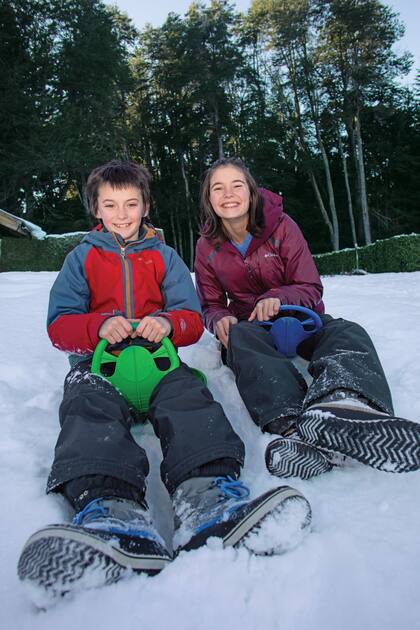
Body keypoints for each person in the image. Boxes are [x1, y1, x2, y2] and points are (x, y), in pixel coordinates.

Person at [17, 160, 311, 605]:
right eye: (111, 205)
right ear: (96, 208)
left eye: (131, 204)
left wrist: (166, 323)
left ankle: (209, 497)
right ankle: (109, 510)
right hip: (101, 365)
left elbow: (192, 319)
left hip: (158, 360)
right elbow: (60, 324)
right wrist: (97, 326)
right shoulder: (82, 257)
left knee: (190, 398)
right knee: (86, 408)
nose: (122, 213)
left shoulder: (164, 255)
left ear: (146, 205)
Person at [194, 157, 420, 480]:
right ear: (209, 198)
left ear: (251, 192)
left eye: (236, 185)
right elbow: (211, 303)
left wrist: (279, 298)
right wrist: (220, 319)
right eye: (218, 188)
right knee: (241, 341)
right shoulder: (206, 246)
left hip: (301, 319)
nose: (228, 194)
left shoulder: (282, 226)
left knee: (346, 331)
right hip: (254, 329)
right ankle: (293, 426)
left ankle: (350, 403)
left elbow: (310, 286)